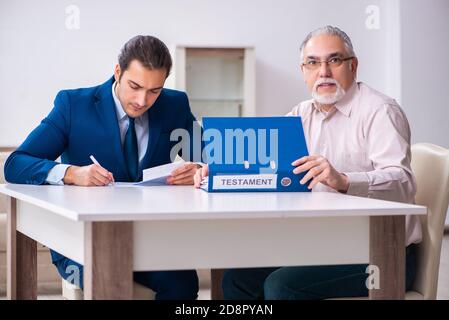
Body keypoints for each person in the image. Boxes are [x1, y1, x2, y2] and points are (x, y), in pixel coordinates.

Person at [194, 26, 422, 300]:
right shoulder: (300, 114)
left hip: (381, 254)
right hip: (321, 244)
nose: (323, 71)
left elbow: (403, 182)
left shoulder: (380, 111)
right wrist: (218, 169)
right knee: (236, 279)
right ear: (303, 71)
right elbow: (262, 161)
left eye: (334, 60)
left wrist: (345, 181)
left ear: (353, 66)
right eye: (313, 63)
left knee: (281, 285)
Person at [5, 35, 201, 299]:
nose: (142, 100)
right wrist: (71, 173)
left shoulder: (174, 105)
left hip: (148, 239)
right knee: (108, 279)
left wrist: (200, 168)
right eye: (135, 86)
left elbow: (215, 157)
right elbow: (17, 164)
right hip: (80, 242)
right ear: (118, 72)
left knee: (183, 282)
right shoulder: (73, 106)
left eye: (154, 90)